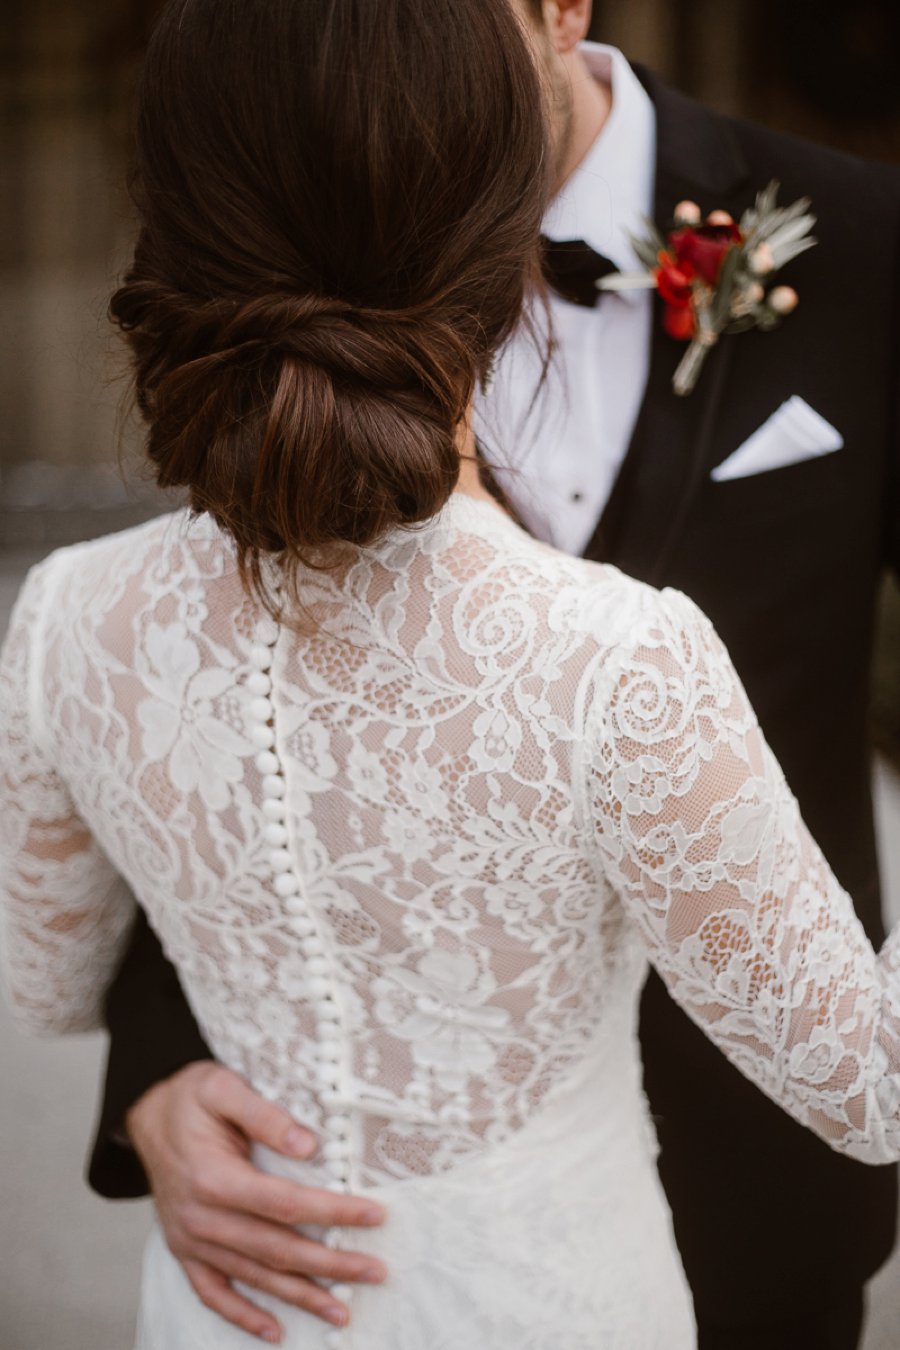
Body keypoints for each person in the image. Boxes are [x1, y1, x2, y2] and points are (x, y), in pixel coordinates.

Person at [6, 0, 898, 1346]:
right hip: (550, 1285)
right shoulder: (625, 653)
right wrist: (154, 1086)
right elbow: (872, 1074)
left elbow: (42, 974)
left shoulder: (66, 610)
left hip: (310, 1301)